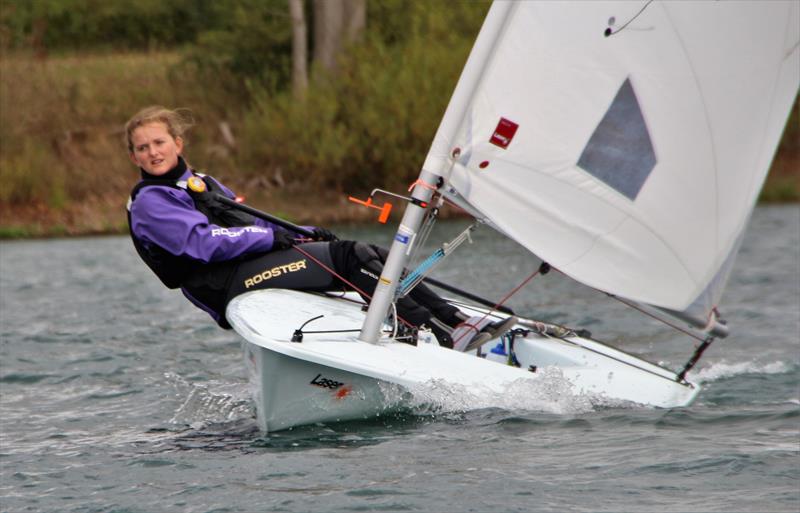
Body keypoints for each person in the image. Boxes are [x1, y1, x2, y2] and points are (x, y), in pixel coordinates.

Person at [125, 106, 515, 349]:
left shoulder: (200, 182)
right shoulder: (151, 202)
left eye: (158, 142)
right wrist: (269, 237)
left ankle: (457, 320)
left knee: (370, 254)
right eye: (142, 148)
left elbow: (253, 221)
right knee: (348, 259)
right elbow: (202, 244)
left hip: (247, 266)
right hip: (224, 284)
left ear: (177, 142)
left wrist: (302, 232)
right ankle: (437, 331)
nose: (153, 153)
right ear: (134, 156)